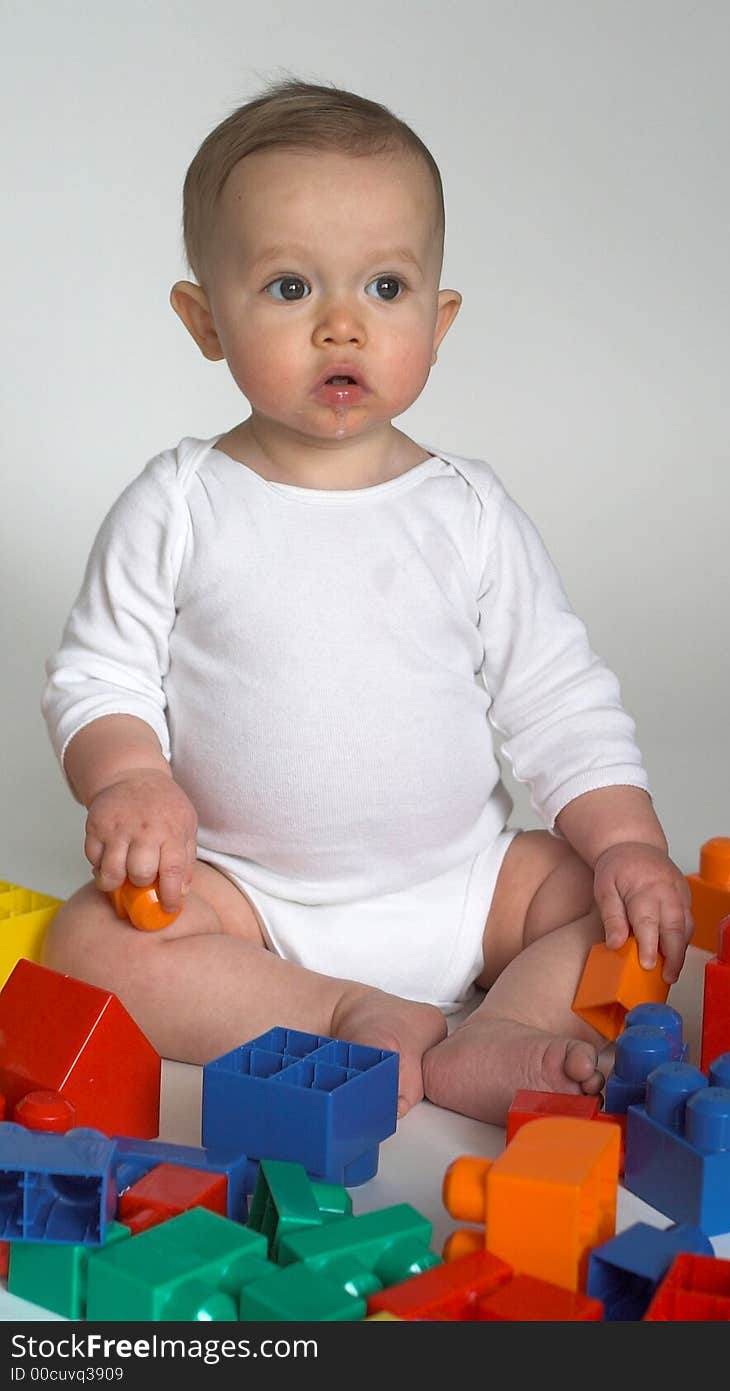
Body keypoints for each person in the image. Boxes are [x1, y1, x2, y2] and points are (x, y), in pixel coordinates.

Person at [40, 78, 694, 1127]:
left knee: (629, 911)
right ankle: (341, 1008)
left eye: (385, 289)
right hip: (247, 896)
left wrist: (625, 842)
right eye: (291, 287)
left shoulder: (468, 511)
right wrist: (128, 776)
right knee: (86, 944)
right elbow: (100, 673)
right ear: (204, 320)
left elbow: (556, 699)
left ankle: (503, 1028)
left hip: (473, 886)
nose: (342, 325)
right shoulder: (180, 501)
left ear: (438, 321)